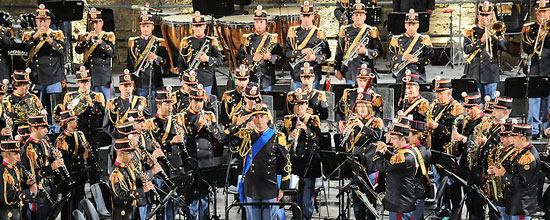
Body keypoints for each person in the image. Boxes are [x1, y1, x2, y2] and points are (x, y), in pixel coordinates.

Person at [224, 103, 291, 220]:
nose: (259, 120)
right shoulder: (245, 135)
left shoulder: (277, 136)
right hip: (251, 186)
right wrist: (238, 124)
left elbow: (285, 163)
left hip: (270, 185)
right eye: (255, 116)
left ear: (267, 118)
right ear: (252, 119)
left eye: (262, 116)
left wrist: (283, 188)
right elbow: (222, 139)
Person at [180, 85, 222, 219]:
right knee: (191, 198)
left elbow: (219, 137)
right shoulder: (182, 117)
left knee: (204, 198)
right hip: (191, 161)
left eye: (200, 101)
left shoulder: (209, 115)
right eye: (195, 101)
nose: (198, 104)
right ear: (190, 101)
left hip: (206, 161)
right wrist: (196, 128)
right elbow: (183, 141)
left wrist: (210, 128)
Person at [61, 67, 105, 183]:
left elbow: (103, 115)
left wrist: (92, 105)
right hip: (77, 134)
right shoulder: (70, 97)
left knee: (93, 164)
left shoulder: (97, 96)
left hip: (92, 134)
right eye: (82, 82)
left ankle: (95, 190)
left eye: (87, 82)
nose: (85, 84)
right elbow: (64, 116)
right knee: (77, 163)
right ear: (77, 83)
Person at [283, 90, 321, 220]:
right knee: (294, 195)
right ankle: (296, 216)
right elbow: (281, 139)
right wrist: (289, 136)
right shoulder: (289, 120)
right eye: (297, 104)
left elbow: (317, 139)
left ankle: (306, 217)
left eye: (302, 104)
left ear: (307, 105)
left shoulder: (313, 119)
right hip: (293, 161)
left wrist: (306, 129)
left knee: (306, 196)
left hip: (309, 162)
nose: (299, 107)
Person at [489, 124, 540, 220]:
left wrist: (504, 174)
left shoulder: (528, 157)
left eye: (515, 138)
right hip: (513, 202)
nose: (512, 140)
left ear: (523, 139)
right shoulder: (519, 151)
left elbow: (522, 182)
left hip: (521, 205)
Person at [20, 113, 65, 220]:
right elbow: (28, 177)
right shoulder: (27, 149)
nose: (46, 131)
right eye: (43, 128)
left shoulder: (45, 142)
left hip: (50, 188)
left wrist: (55, 158)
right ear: (33, 129)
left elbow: (46, 162)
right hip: (39, 194)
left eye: (46, 128)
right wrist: (52, 167)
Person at [21, 4, 65, 104]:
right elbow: (24, 49)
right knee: (37, 107)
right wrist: (35, 36)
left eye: (45, 20)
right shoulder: (30, 35)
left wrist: (50, 40)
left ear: (49, 21)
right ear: (36, 21)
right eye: (40, 20)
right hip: (37, 77)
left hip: (53, 76)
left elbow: (62, 50)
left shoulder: (56, 34)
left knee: (54, 107)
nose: (42, 23)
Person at [463, 1, 508, 100]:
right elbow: (466, 49)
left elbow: (504, 47)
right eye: (482, 15)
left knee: (490, 104)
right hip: (475, 72)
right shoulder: (470, 30)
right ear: (478, 16)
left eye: (487, 15)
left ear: (491, 16)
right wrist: (481, 41)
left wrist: (494, 36)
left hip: (490, 73)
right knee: (475, 103)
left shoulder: (497, 30)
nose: (484, 18)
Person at [374, 123, 418, 220]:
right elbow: (394, 160)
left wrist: (378, 153)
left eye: (393, 138)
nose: (390, 141)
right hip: (399, 200)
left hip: (400, 204)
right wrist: (385, 152)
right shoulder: (407, 151)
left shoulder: (404, 157)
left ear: (402, 140)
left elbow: (380, 166)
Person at [54, 110, 91, 220]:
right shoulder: (61, 140)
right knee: (70, 205)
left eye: (75, 120)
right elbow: (65, 160)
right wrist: (82, 156)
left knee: (80, 201)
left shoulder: (79, 134)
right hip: (70, 175)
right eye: (73, 121)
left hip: (81, 174)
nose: (76, 123)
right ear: (66, 123)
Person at [285, 1, 330, 90]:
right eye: (304, 15)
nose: (306, 19)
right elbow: (287, 53)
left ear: (313, 16)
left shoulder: (319, 33)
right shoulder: (293, 32)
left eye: (308, 16)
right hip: (297, 73)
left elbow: (327, 54)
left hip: (314, 74)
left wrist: (316, 57)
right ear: (300, 16)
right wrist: (301, 51)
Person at [335, 1, 382, 85]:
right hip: (350, 71)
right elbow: (339, 51)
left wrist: (366, 51)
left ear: (364, 17)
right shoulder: (345, 30)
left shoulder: (371, 30)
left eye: (361, 15)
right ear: (352, 17)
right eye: (356, 15)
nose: (358, 17)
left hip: (366, 69)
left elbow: (379, 51)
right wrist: (337, 69)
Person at [237, 5, 283, 91]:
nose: (259, 25)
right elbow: (240, 56)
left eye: (261, 22)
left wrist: (270, 57)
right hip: (251, 77)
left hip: (267, 78)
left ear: (266, 23)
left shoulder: (272, 39)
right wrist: (252, 58)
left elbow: (281, 57)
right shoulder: (248, 38)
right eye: (257, 22)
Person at [522, 0, 550, 140]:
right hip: (534, 70)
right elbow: (526, 49)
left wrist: (547, 36)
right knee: (534, 101)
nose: (542, 15)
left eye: (545, 12)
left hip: (549, 70)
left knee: (548, 101)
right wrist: (537, 39)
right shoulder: (529, 28)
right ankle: (532, 130)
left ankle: (547, 129)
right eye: (539, 12)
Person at [178, 11, 223, 96]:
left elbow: (220, 60)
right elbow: (181, 63)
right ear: (192, 27)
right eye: (196, 26)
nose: (198, 28)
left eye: (200, 26)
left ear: (205, 26)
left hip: (206, 80)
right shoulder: (186, 41)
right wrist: (181, 79)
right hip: (190, 80)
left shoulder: (211, 41)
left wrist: (207, 59)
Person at [75, 7, 116, 100]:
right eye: (92, 23)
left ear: (101, 23)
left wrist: (101, 42)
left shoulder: (108, 36)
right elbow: (78, 50)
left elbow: (112, 53)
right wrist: (86, 40)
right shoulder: (84, 37)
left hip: (102, 76)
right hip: (88, 76)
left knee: (106, 102)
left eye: (96, 22)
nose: (94, 26)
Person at [127, 10, 169, 98]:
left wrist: (156, 57)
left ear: (152, 27)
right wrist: (131, 81)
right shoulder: (134, 42)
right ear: (140, 27)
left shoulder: (159, 42)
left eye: (148, 26)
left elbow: (166, 62)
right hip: (140, 82)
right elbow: (130, 64)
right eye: (143, 26)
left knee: (156, 106)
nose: (145, 28)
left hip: (156, 81)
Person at [109, 138, 154, 220]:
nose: (132, 156)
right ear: (120, 154)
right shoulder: (116, 173)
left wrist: (142, 180)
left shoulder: (129, 166)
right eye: (129, 153)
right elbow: (122, 196)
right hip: (125, 213)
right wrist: (142, 190)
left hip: (134, 210)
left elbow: (133, 183)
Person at [388, 9, 434, 82]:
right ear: (405, 25)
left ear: (418, 25)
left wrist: (418, 60)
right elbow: (390, 56)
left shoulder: (424, 39)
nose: (411, 27)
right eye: (409, 24)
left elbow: (430, 58)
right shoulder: (396, 39)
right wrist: (403, 57)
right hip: (402, 73)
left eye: (414, 24)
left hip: (418, 74)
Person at [335, 64, 383, 130]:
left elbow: (378, 117)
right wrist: (340, 121)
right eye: (360, 80)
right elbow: (338, 110)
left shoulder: (375, 97)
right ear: (357, 80)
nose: (363, 84)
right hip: (350, 127)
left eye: (365, 81)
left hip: (367, 128)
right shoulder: (348, 93)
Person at [0, 140, 37, 220]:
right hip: (8, 213)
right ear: (6, 155)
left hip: (18, 211)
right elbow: (8, 198)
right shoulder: (2, 172)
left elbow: (15, 186)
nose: (19, 157)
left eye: (19, 153)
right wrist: (29, 191)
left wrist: (26, 184)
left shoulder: (15, 168)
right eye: (15, 154)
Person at [408, 120, 431, 220]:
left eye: (408, 134)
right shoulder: (415, 148)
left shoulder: (422, 150)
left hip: (417, 189)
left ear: (416, 135)